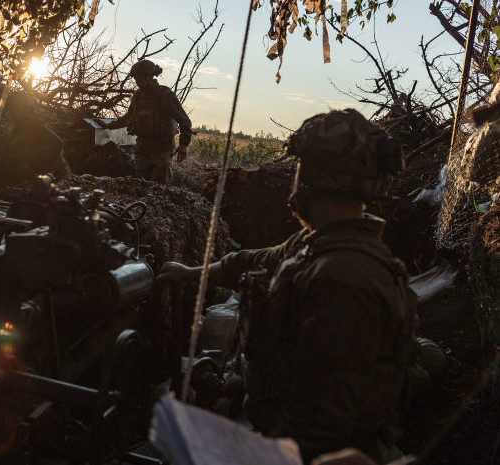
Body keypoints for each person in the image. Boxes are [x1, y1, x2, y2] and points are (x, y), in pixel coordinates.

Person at [158, 109, 417, 464]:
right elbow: (256, 260)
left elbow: (324, 422)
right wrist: (189, 272)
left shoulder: (342, 279)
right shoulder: (322, 245)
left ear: (311, 178)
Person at [101, 59, 193, 183]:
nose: (138, 83)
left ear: (149, 77)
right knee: (140, 185)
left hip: (162, 149)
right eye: (136, 79)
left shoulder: (165, 95)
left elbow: (184, 120)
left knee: (159, 187)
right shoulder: (138, 96)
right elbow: (129, 116)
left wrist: (183, 144)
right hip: (143, 148)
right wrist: (110, 125)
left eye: (140, 79)